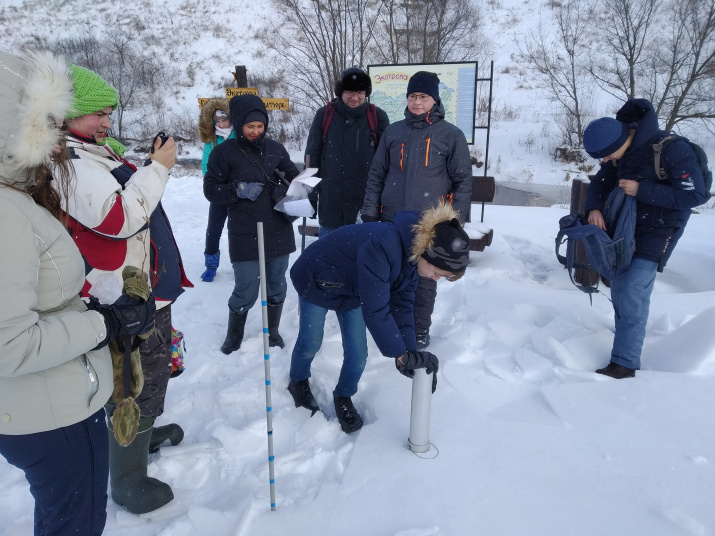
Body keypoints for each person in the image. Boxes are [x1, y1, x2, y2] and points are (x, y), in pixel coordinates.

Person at [0, 49, 154, 535]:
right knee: (75, 524)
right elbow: (9, 343)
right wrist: (105, 323)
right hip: (50, 414)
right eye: (48, 119)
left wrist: (92, 308)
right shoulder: (5, 212)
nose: (58, 130)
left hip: (48, 401)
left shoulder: (18, 195)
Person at [59, 64, 192, 514]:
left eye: (109, 111)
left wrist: (145, 163)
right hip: (120, 294)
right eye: (96, 112)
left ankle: (142, 434)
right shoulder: (68, 163)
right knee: (133, 378)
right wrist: (158, 167)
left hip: (143, 286)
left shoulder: (95, 150)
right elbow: (118, 219)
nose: (106, 121)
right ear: (64, 114)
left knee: (152, 370)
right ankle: (127, 476)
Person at [288, 204, 471, 433]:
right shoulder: (384, 246)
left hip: (353, 289)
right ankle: (298, 381)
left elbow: (402, 305)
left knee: (358, 354)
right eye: (437, 272)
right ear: (428, 252)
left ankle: (343, 395)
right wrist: (400, 354)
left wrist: (409, 351)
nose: (435, 279)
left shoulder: (413, 256)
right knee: (311, 342)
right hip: (317, 278)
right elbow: (376, 310)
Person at [582, 98, 707, 379]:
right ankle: (625, 340)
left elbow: (695, 195)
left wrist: (642, 189)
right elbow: (600, 184)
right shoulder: (618, 151)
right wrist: (593, 208)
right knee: (618, 288)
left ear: (620, 141)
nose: (604, 161)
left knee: (634, 291)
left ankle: (624, 364)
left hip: (660, 228)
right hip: (624, 227)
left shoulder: (672, 149)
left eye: (605, 155)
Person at [360, 71, 473, 351]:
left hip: (430, 223)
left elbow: (462, 181)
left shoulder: (450, 135)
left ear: (434, 100)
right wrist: (370, 212)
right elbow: (377, 174)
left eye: (423, 97)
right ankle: (390, 326)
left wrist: (453, 222)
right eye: (412, 96)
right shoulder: (394, 131)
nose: (417, 102)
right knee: (389, 274)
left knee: (425, 278)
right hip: (392, 220)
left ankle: (419, 329)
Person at [204, 94, 300, 353]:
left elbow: (294, 177)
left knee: (277, 283)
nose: (256, 132)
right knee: (246, 287)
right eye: (250, 127)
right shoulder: (224, 153)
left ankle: (274, 331)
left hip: (278, 226)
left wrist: (299, 187)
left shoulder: (276, 149)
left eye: (260, 126)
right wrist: (238, 189)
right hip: (245, 231)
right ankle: (234, 337)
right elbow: (211, 190)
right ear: (237, 124)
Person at [304, 67, 389, 235]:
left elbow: (387, 163)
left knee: (364, 258)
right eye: (350, 92)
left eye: (360, 92)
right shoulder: (325, 115)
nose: (355, 98)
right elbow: (311, 157)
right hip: (331, 206)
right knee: (329, 258)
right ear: (341, 92)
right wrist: (310, 195)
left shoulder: (377, 117)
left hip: (366, 206)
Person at [198, 98, 234, 281]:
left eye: (224, 120)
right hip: (219, 192)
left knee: (239, 231)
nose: (221, 124)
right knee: (214, 229)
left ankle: (241, 264)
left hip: (237, 192)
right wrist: (215, 182)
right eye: (218, 121)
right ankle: (211, 265)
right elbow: (206, 164)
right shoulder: (211, 141)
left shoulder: (239, 136)